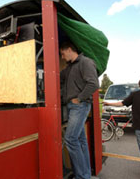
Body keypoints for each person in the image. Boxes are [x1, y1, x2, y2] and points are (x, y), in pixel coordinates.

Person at [60, 41, 99, 179]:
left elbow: (94, 84)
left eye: (63, 54)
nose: (62, 57)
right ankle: (85, 175)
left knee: (70, 139)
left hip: (79, 106)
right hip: (72, 107)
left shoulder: (85, 62)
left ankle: (82, 176)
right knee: (81, 140)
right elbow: (58, 77)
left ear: (70, 49)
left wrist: (80, 98)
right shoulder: (70, 68)